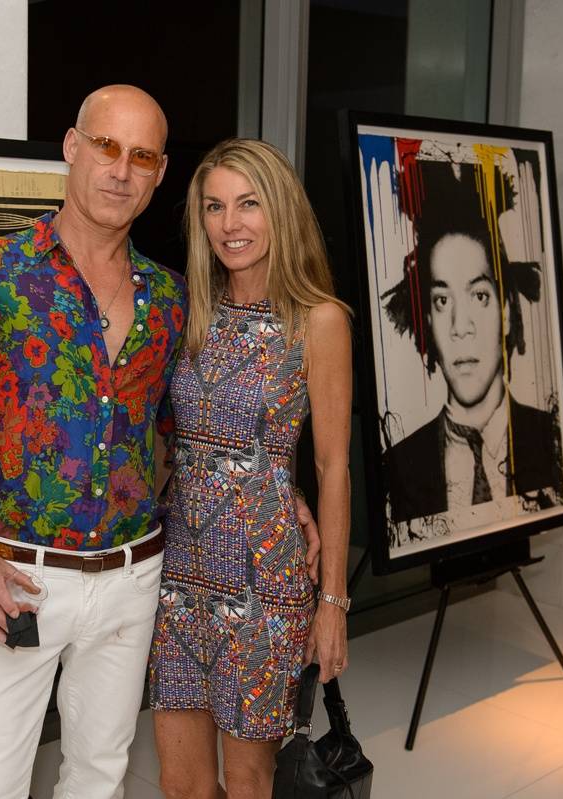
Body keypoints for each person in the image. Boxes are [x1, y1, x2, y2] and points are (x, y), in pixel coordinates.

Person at [0, 84, 185, 799]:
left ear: (159, 173)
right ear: (71, 147)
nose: (120, 170)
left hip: (131, 580)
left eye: (141, 156)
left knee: (99, 775)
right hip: (15, 582)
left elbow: (183, 431)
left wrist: (285, 493)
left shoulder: (169, 298)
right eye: (107, 146)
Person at [148, 139, 353, 799]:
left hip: (263, 582)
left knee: (247, 782)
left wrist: (333, 602)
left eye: (248, 204)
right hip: (179, 575)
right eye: (214, 207)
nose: (229, 224)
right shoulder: (189, 309)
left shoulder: (318, 321)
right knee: (181, 783)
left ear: (280, 211)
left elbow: (334, 466)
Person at [382, 161, 563, 523]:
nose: (459, 327)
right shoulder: (398, 466)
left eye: (479, 296)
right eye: (442, 300)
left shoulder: (551, 442)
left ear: (506, 310)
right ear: (428, 321)